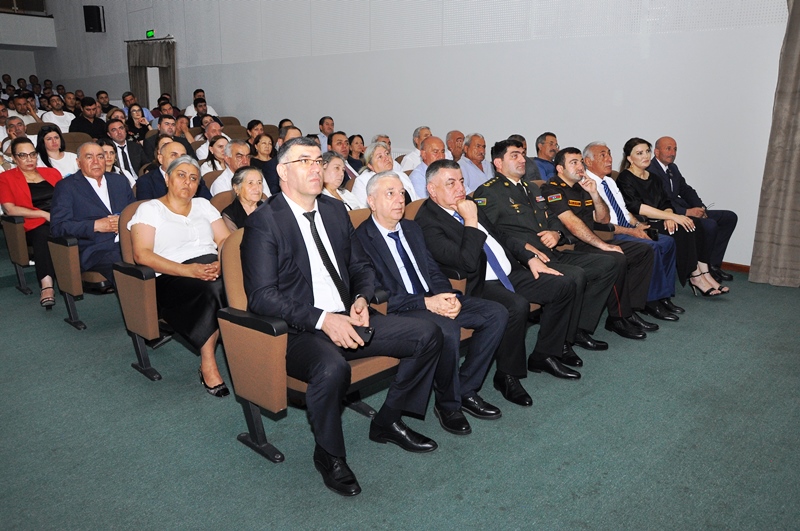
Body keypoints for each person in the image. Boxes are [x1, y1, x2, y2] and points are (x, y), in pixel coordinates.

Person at [241, 136, 443, 497]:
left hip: (349, 316)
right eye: (304, 161)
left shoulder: (335, 211)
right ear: (282, 172)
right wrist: (323, 319)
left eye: (318, 161)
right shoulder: (264, 223)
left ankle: (388, 420)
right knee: (332, 368)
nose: (315, 168)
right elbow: (262, 297)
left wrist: (361, 298)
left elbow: (360, 265)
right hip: (299, 330)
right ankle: (330, 455)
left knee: (428, 335)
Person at [357, 171, 507, 435]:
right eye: (390, 194)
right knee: (446, 329)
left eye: (401, 193)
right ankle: (448, 405)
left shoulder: (411, 228)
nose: (399, 199)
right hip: (403, 309)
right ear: (371, 201)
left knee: (497, 313)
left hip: (432, 298)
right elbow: (379, 293)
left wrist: (449, 296)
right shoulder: (361, 239)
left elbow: (432, 270)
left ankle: (465, 389)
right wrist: (427, 303)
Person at [416, 159, 580, 394]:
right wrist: (470, 220)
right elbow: (466, 262)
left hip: (509, 271)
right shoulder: (427, 221)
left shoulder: (469, 203)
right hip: (479, 282)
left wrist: (529, 257)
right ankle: (507, 375)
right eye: (451, 183)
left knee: (563, 285)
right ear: (432, 189)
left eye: (461, 181)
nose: (460, 188)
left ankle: (545, 354)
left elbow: (500, 235)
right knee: (517, 306)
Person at [473, 139, 617, 352]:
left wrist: (556, 233)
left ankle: (577, 329)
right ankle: (557, 346)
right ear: (498, 163)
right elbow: (491, 234)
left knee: (609, 263)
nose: (522, 159)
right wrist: (524, 249)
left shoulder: (531, 187)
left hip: (550, 251)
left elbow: (551, 216)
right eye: (514, 155)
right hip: (524, 261)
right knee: (575, 276)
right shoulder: (489, 192)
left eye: (523, 155)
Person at [128, 155, 231, 397]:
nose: (188, 182)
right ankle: (208, 362)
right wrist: (189, 270)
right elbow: (142, 254)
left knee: (241, 282)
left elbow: (225, 240)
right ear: (167, 178)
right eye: (181, 175)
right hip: (171, 275)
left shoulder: (204, 205)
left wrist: (221, 263)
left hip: (212, 267)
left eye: (194, 178)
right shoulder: (150, 209)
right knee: (215, 289)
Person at [541, 148, 657, 339]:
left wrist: (594, 193)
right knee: (616, 258)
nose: (580, 166)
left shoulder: (582, 186)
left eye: (581, 161)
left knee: (643, 251)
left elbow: (603, 219)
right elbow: (571, 223)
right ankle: (616, 318)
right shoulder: (552, 189)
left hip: (590, 241)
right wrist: (603, 245)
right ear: (560, 169)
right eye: (574, 162)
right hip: (570, 247)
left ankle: (630, 310)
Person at [616, 138, 728, 297]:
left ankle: (705, 273)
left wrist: (669, 217)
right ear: (629, 158)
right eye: (639, 153)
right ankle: (695, 276)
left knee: (696, 224)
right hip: (644, 223)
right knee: (683, 229)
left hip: (661, 219)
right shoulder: (625, 178)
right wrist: (672, 217)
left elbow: (665, 202)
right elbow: (637, 207)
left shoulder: (653, 177)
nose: (645, 156)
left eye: (647, 151)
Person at [583, 141, 683, 320]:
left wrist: (637, 225)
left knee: (667, 242)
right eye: (603, 155)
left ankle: (663, 296)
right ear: (588, 162)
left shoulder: (610, 182)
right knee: (651, 247)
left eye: (609, 154)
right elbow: (600, 223)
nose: (609, 159)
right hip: (610, 234)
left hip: (627, 228)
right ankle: (651, 301)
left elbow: (625, 211)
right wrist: (631, 232)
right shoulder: (585, 185)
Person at [648, 136, 738, 283]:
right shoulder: (650, 170)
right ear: (656, 152)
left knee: (729, 217)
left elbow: (686, 190)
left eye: (675, 149)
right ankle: (703, 269)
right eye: (668, 149)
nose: (673, 153)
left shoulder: (673, 168)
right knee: (709, 225)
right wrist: (687, 212)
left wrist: (701, 208)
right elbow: (661, 202)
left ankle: (713, 265)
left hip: (684, 208)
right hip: (672, 215)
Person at [50, 142, 136, 286]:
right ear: (78, 162)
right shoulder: (66, 187)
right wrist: (95, 225)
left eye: (100, 157)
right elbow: (58, 227)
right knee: (132, 271)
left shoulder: (119, 181)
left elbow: (136, 213)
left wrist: (123, 221)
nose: (96, 162)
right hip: (96, 249)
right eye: (89, 157)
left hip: (129, 241)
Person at [0, 137, 60, 307]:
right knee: (43, 233)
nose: (29, 159)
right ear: (14, 158)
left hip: (58, 218)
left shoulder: (52, 173)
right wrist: (42, 214)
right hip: (31, 224)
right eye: (23, 155)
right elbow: (10, 209)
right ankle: (47, 285)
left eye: (32, 154)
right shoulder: (6, 178)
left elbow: (67, 197)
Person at [137, 141, 211, 201]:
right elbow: (148, 210)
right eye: (173, 155)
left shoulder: (193, 177)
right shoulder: (146, 181)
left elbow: (208, 203)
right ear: (160, 159)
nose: (179, 159)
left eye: (183, 156)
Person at [351, 142, 418, 206]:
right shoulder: (362, 181)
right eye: (380, 157)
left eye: (387, 153)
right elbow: (361, 210)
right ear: (370, 165)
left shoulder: (402, 175)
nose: (386, 158)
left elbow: (417, 200)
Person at [220, 166, 264, 231]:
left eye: (259, 183)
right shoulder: (230, 215)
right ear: (236, 188)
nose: (257, 187)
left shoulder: (268, 207)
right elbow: (235, 237)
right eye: (250, 183)